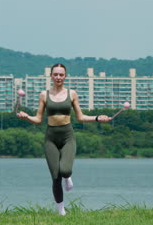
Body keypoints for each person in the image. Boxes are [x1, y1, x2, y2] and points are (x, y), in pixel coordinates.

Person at [17, 63, 111, 216]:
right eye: (56, 74)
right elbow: (38, 119)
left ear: (65, 76)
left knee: (65, 170)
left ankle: (68, 177)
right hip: (50, 137)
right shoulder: (44, 95)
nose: (58, 77)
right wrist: (26, 116)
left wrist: (97, 118)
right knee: (55, 177)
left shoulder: (72, 94)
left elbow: (80, 117)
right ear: (51, 76)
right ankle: (61, 211)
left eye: (61, 74)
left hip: (67, 136)